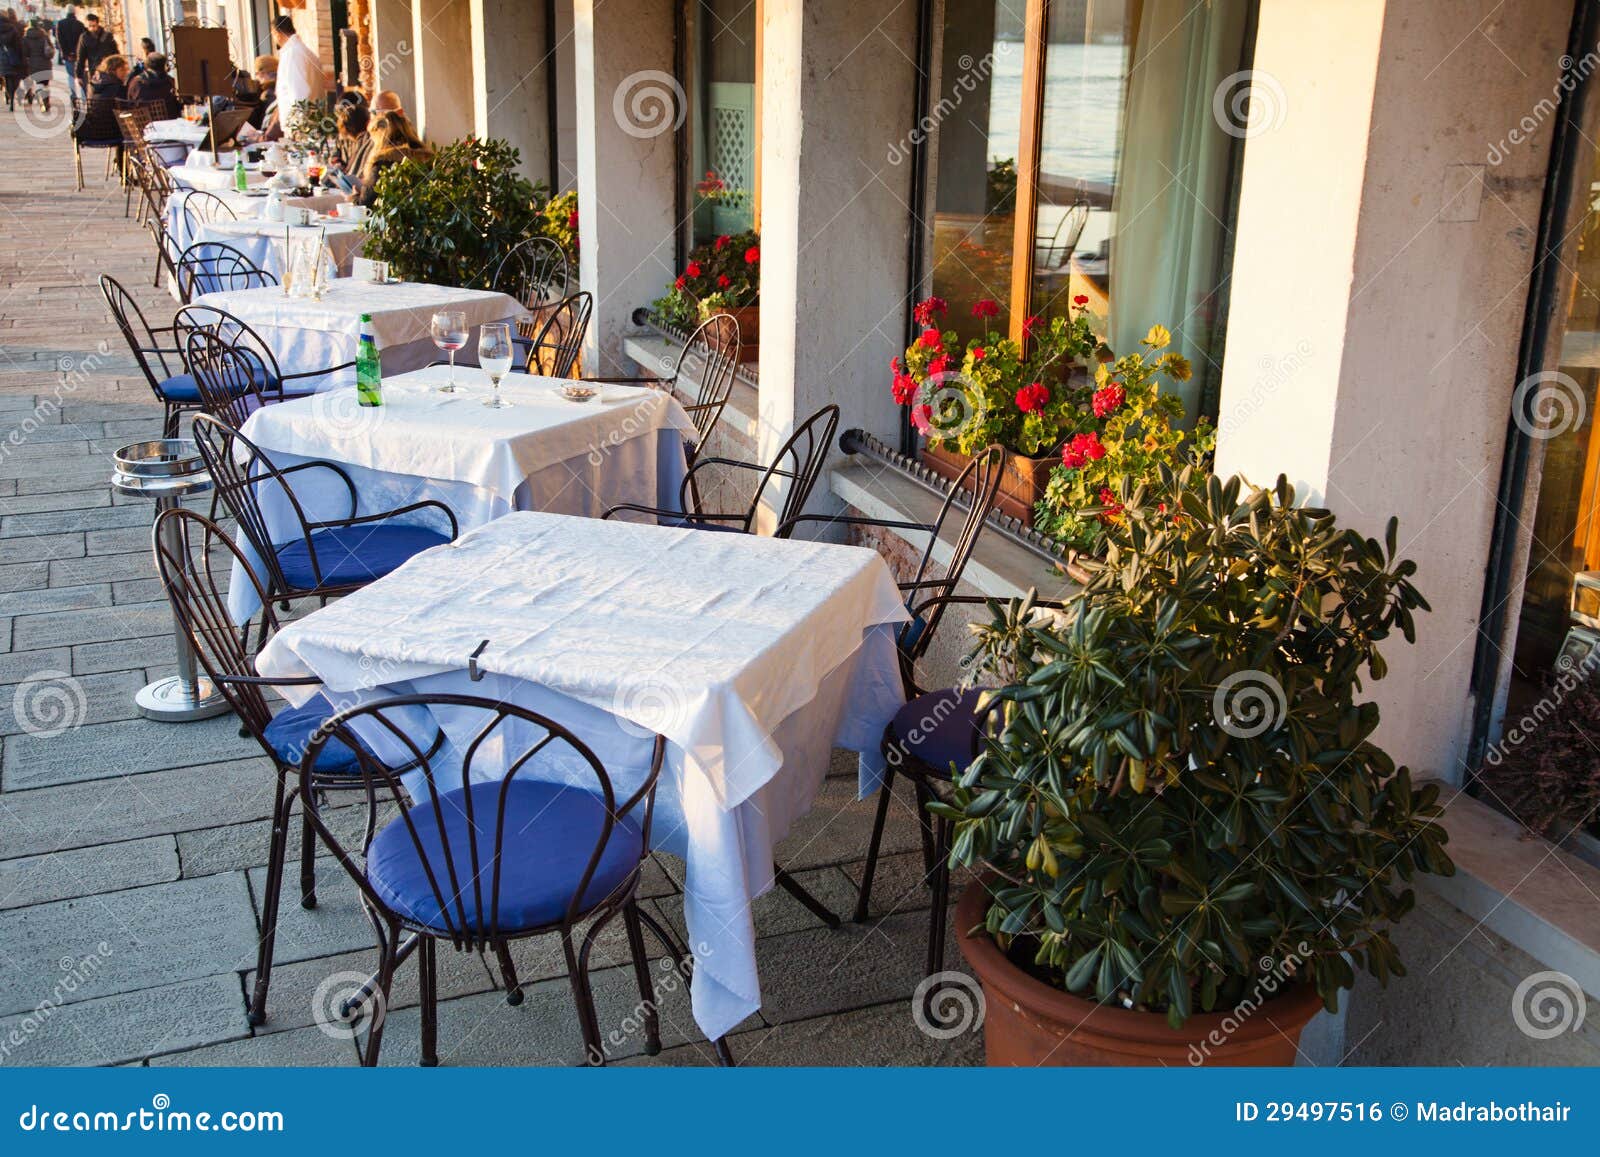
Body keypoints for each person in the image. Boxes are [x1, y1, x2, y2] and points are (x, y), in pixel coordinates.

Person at [357, 109, 429, 207]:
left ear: (378, 135)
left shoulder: (382, 161)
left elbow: (366, 203)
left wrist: (354, 197)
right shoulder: (426, 156)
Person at [269, 14, 326, 115]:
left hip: (302, 121)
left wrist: (298, 122)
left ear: (276, 33)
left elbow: (299, 94)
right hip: (312, 116)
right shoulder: (303, 51)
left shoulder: (292, 54)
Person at [125, 51, 178, 119]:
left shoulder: (136, 82)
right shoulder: (170, 81)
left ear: (146, 65)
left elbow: (130, 102)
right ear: (164, 65)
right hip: (169, 120)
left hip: (143, 121)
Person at [73, 11, 115, 93]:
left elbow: (115, 53)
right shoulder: (84, 38)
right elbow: (81, 57)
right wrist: (78, 75)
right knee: (94, 94)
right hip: (93, 71)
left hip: (108, 70)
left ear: (98, 24)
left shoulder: (107, 36)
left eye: (94, 26)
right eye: (89, 26)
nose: (92, 28)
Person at [54, 3, 83, 101]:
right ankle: (83, 96)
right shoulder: (79, 24)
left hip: (68, 55)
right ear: (74, 12)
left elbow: (60, 40)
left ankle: (73, 94)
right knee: (81, 75)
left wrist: (64, 53)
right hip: (79, 54)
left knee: (71, 76)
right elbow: (83, 41)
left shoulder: (61, 24)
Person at [21, 17, 51, 111]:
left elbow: (24, 53)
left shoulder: (26, 38)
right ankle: (46, 101)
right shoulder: (44, 36)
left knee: (38, 83)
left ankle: (43, 101)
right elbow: (50, 49)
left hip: (33, 63)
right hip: (45, 63)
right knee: (45, 84)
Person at [0, 12, 23, 113]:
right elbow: (18, 44)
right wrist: (20, 56)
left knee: (6, 78)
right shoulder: (12, 28)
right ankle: (12, 96)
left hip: (2, 57)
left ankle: (9, 94)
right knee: (14, 78)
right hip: (13, 57)